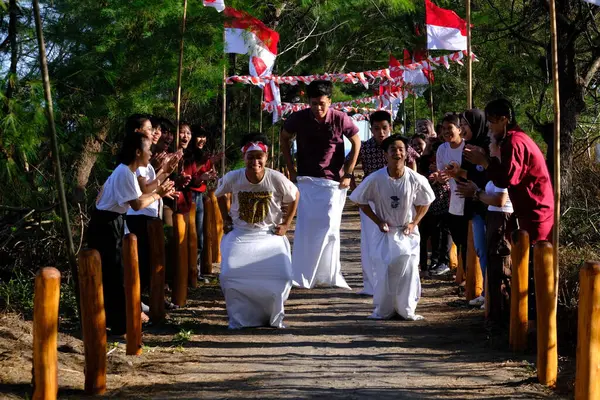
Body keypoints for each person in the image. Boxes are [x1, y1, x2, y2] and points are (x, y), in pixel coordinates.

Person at [87, 126, 175, 335]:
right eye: (148, 150)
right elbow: (136, 204)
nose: (151, 153)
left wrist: (159, 189)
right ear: (137, 152)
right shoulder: (124, 172)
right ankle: (119, 323)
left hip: (114, 222)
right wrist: (158, 195)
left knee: (118, 273)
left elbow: (141, 196)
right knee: (114, 275)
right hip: (106, 225)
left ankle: (119, 320)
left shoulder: (128, 172)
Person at [280, 80, 361, 289]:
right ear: (309, 101)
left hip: (333, 181)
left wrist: (349, 173)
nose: (318, 108)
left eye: (322, 103)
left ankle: (327, 274)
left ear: (330, 101)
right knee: (307, 228)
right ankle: (305, 273)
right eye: (314, 103)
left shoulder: (340, 118)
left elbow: (356, 141)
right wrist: (291, 168)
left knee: (329, 228)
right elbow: (284, 137)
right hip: (306, 179)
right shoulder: (298, 118)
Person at [215, 133, 299, 329]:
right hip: (240, 234)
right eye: (250, 157)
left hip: (269, 235)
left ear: (266, 157)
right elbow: (219, 193)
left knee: (283, 276)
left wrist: (286, 224)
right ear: (244, 158)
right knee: (229, 275)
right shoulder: (233, 177)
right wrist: (225, 218)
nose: (255, 161)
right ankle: (242, 318)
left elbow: (295, 196)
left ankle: (271, 315)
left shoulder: (276, 178)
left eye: (258, 156)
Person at [349, 134, 435, 320]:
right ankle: (385, 310)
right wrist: (378, 221)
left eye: (401, 149)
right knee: (384, 270)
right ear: (385, 154)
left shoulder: (415, 178)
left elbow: (426, 201)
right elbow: (359, 199)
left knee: (409, 270)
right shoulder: (375, 178)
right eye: (393, 149)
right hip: (385, 233)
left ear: (406, 154)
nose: (397, 153)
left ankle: (406, 309)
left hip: (407, 232)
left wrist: (414, 223)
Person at [463, 99, 554, 242]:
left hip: (536, 213)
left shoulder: (515, 142)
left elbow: (505, 179)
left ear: (503, 120)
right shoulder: (512, 139)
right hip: (527, 212)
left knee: (537, 259)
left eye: (491, 121)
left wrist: (484, 162)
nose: (488, 126)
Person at [457, 137, 513, 318]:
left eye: (489, 146)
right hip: (494, 217)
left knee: (500, 263)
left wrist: (476, 192)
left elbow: (500, 199)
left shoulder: (500, 170)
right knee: (492, 260)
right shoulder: (494, 170)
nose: (486, 149)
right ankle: (492, 301)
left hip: (501, 218)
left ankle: (499, 307)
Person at [350, 110, 392, 295]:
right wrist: (355, 190)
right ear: (371, 129)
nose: (381, 133)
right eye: (376, 129)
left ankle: (390, 282)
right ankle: (371, 284)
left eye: (384, 128)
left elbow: (413, 161)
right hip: (370, 201)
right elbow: (349, 167)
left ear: (390, 128)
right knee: (369, 241)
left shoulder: (397, 145)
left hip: (394, 200)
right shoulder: (365, 147)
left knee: (391, 240)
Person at [435, 114, 468, 276]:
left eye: (450, 128)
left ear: (459, 129)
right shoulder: (442, 149)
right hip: (454, 202)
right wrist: (440, 178)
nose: (446, 132)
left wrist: (456, 173)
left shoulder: (468, 148)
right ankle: (463, 273)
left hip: (470, 201)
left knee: (470, 242)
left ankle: (469, 277)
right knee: (459, 239)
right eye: (444, 128)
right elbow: (442, 175)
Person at [188, 126, 219, 279]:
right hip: (189, 196)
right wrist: (204, 166)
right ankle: (190, 271)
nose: (202, 140)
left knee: (199, 235)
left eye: (204, 137)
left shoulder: (203, 154)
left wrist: (210, 173)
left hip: (200, 195)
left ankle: (196, 270)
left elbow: (203, 174)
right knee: (190, 235)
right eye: (199, 136)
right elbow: (192, 177)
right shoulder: (189, 154)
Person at [417, 140, 452, 276]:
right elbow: (420, 177)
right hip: (428, 205)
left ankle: (441, 262)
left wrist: (442, 176)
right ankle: (424, 266)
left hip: (445, 203)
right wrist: (431, 176)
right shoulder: (425, 161)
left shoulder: (449, 162)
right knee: (425, 235)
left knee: (443, 234)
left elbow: (450, 179)